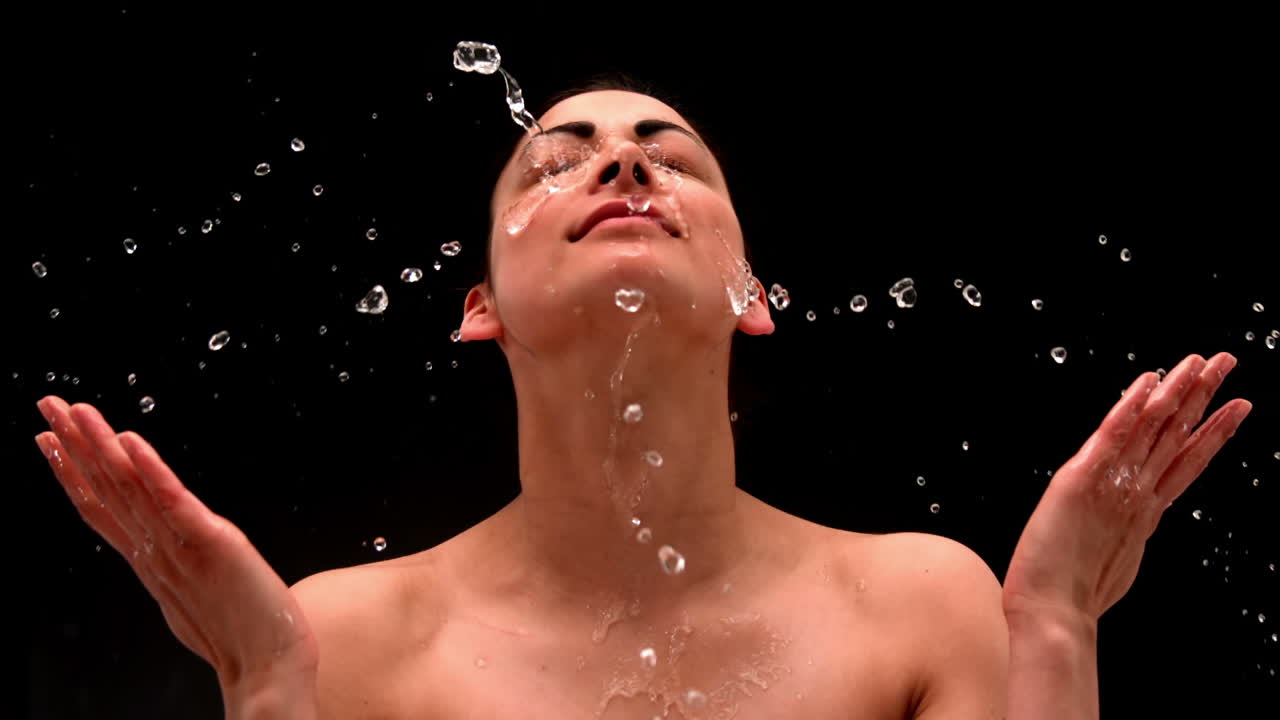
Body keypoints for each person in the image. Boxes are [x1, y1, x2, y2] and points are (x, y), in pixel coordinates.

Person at [33, 77, 1252, 719]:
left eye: (668, 155)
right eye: (554, 161)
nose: (622, 161)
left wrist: (1048, 627)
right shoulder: (345, 641)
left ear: (750, 295)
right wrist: (267, 690)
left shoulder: (918, 604)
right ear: (478, 308)